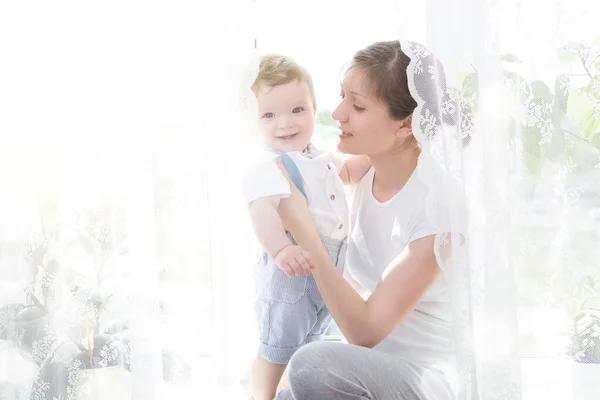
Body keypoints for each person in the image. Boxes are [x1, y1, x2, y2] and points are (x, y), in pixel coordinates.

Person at [274, 40, 467, 399]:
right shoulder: (363, 168)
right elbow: (304, 171)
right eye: (343, 96)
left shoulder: (439, 208)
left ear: (406, 124)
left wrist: (303, 231)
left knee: (311, 365)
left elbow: (363, 332)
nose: (338, 113)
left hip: (427, 379)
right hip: (369, 369)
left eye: (358, 105)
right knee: (288, 394)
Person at [243, 53, 371, 400]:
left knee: (307, 345)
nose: (285, 123)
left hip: (326, 269)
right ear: (251, 122)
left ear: (314, 109)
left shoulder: (319, 154)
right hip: (290, 271)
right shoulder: (269, 165)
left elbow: (347, 172)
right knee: (277, 345)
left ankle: (290, 394)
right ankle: (262, 396)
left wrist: (376, 154)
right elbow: (263, 211)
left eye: (297, 110)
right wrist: (280, 249)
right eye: (269, 115)